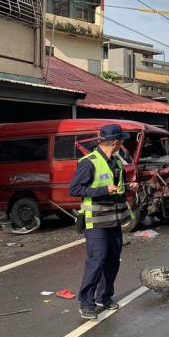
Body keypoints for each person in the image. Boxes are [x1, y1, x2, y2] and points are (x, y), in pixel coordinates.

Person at [69, 124, 137, 320]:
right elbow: (74, 189)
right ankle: (86, 303)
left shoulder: (116, 160)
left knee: (112, 261)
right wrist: (103, 190)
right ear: (115, 142)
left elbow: (118, 187)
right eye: (122, 140)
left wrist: (129, 187)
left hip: (114, 221)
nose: (122, 143)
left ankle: (104, 296)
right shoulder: (88, 162)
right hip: (96, 222)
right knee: (96, 261)